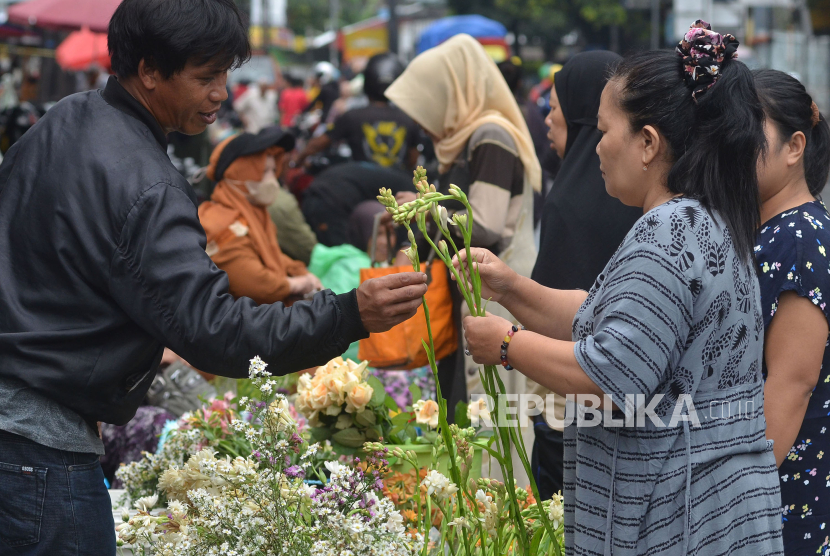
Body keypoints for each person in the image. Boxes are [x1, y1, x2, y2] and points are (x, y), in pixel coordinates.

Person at [0, 1, 427, 554]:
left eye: (225, 73)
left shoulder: (63, 119)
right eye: (205, 76)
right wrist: (348, 315)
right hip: (42, 452)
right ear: (150, 70)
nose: (222, 92)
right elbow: (215, 331)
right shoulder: (150, 187)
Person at [460, 21, 783, 554]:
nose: (598, 146)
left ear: (648, 143)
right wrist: (511, 287)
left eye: (605, 131)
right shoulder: (709, 219)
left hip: (675, 516)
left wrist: (505, 344)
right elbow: (623, 326)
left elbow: (616, 378)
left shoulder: (667, 231)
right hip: (716, 507)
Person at [385, 33, 541, 426]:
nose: (423, 120)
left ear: (452, 94)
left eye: (427, 105)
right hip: (479, 288)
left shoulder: (490, 136)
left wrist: (424, 207)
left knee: (494, 412)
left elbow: (484, 223)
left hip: (497, 290)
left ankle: (507, 490)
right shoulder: (467, 138)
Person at [528, 51, 644, 501]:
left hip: (577, 401)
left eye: (554, 110)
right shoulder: (652, 196)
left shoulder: (569, 201)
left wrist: (505, 343)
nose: (548, 122)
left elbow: (565, 318)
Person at [753, 69, 830, 554]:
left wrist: (739, 493)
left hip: (787, 495)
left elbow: (791, 384)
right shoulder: (777, 227)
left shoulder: (798, 237)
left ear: (794, 146)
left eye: (746, 134)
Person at [199, 129, 323, 303]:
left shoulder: (255, 211)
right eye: (264, 171)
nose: (272, 179)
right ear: (238, 174)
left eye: (273, 170)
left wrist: (301, 272)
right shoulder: (220, 223)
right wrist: (296, 284)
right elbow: (252, 283)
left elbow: (273, 254)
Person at [294, 53, 420, 172]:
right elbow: (413, 159)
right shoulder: (409, 120)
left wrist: (298, 160)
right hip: (397, 186)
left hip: (360, 185)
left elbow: (318, 144)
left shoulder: (352, 116)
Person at [301, 161, 415, 247]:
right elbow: (410, 239)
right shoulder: (411, 193)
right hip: (327, 202)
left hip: (319, 193)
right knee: (340, 255)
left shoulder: (395, 178)